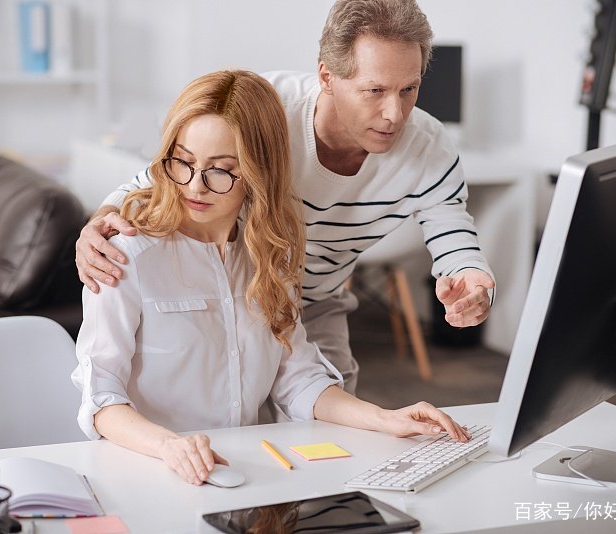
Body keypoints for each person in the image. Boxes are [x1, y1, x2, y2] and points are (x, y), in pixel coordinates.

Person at [71, 69, 470, 486]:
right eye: (183, 162)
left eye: (222, 170)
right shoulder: (124, 255)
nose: (196, 186)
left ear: (259, 173)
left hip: (240, 472)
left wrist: (385, 418)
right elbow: (100, 399)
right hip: (145, 472)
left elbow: (298, 379)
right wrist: (170, 446)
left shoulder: (270, 258)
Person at [74, 0, 495, 395]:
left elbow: (453, 232)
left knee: (333, 410)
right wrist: (100, 222)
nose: (394, 113)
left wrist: (474, 281)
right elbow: (167, 174)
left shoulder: (429, 148)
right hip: (236, 290)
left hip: (316, 300)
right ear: (328, 77)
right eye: (375, 91)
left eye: (409, 89)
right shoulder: (266, 108)